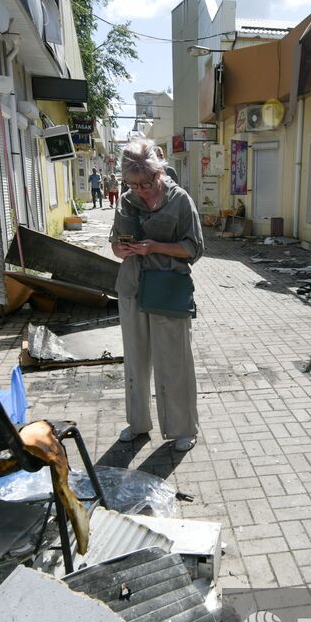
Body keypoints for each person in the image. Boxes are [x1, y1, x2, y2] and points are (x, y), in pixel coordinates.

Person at [110, 140, 203, 452]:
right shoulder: (125, 200)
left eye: (147, 182)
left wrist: (156, 247)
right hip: (133, 288)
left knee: (174, 363)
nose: (141, 190)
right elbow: (115, 244)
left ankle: (183, 428)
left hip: (168, 289)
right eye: (134, 184)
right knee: (135, 361)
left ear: (159, 172)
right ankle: (137, 424)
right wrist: (122, 249)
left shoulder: (180, 201)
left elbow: (193, 248)